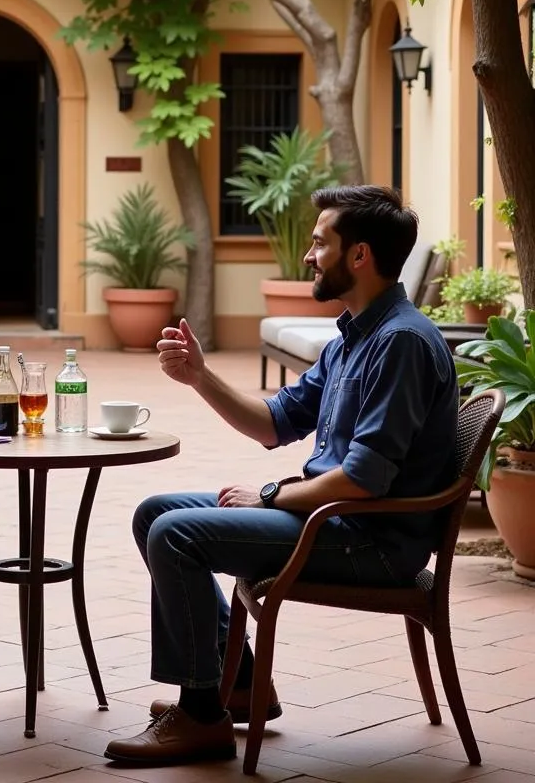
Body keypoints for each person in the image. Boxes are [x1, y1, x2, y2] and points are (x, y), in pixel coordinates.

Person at [104, 185, 458, 767]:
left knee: (177, 535)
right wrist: (200, 376)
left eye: (320, 243)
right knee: (156, 513)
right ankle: (240, 682)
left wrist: (271, 495)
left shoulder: (400, 344)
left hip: (368, 539)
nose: (308, 255)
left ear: (360, 256)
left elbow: (363, 480)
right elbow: (275, 423)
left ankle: (200, 716)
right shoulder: (355, 336)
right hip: (332, 517)